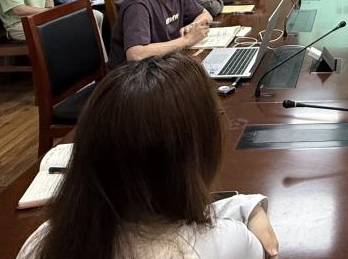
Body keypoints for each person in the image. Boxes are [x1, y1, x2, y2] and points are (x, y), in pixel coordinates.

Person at [16, 53, 278, 259]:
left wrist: (243, 205)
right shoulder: (229, 243)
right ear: (196, 153)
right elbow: (211, 231)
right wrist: (247, 209)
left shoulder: (42, 241)